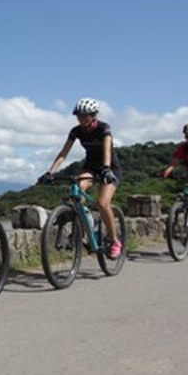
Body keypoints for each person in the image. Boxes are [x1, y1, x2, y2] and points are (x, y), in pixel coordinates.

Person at [39, 98, 123, 258]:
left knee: (102, 204)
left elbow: (107, 149)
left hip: (110, 168)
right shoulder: (76, 131)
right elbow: (64, 153)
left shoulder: (104, 128)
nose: (81, 118)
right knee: (77, 191)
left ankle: (114, 241)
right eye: (79, 115)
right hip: (90, 168)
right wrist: (50, 171)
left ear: (93, 115)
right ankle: (87, 225)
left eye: (85, 116)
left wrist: (106, 168)